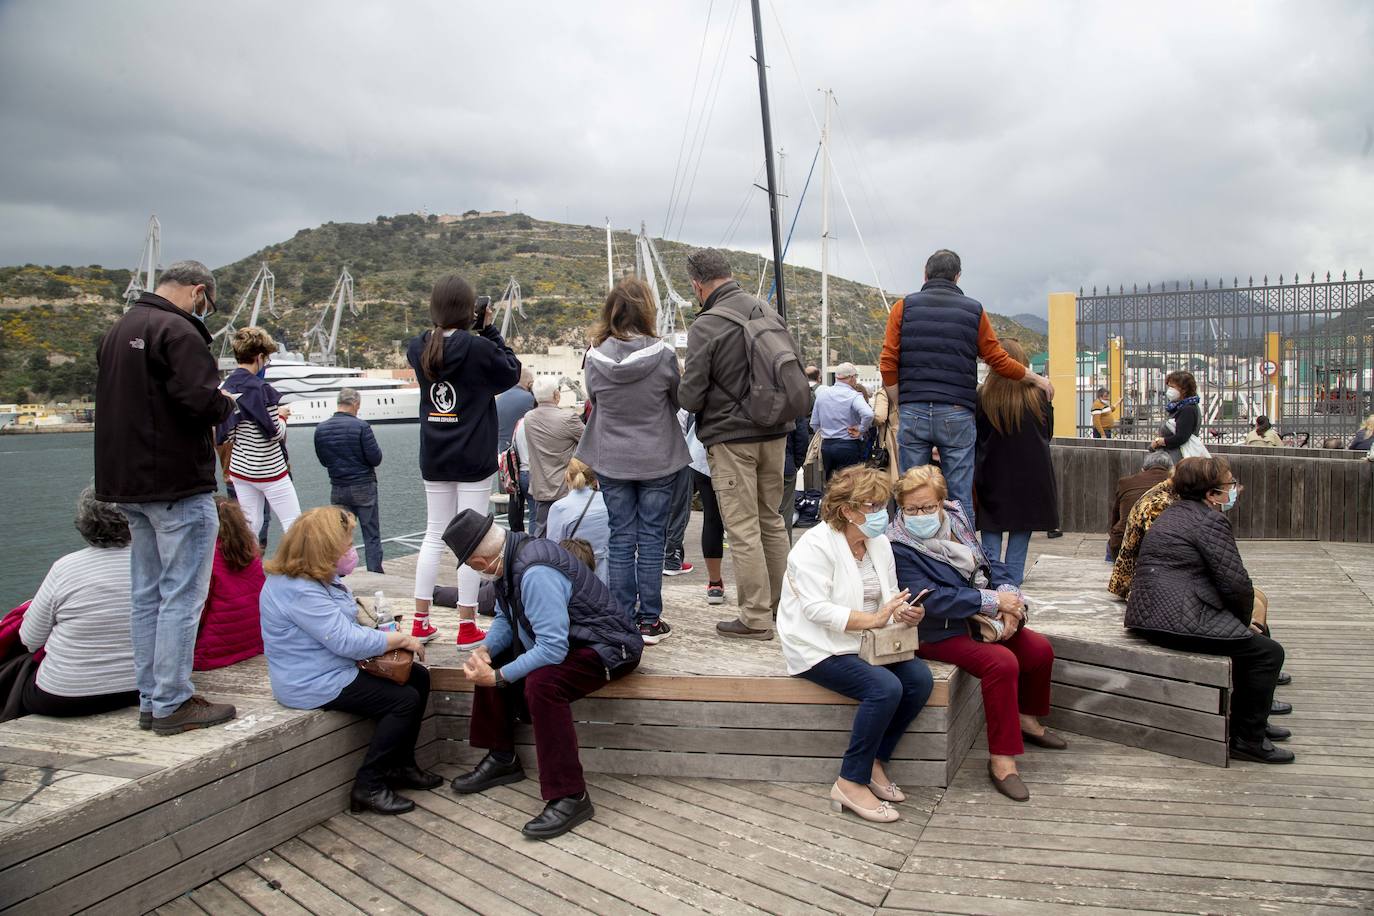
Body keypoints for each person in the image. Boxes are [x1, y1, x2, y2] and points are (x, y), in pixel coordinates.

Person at [95, 259, 238, 735]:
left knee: (147, 594)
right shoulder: (179, 331)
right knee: (182, 594)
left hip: (126, 483)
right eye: (208, 303)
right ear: (198, 291)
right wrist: (228, 403)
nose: (206, 311)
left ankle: (150, 698)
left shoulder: (119, 329)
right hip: (175, 481)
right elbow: (199, 401)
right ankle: (174, 701)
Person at [443, 509, 643, 840]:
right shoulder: (512, 556)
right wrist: (487, 652)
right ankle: (502, 757)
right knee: (492, 662)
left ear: (480, 564)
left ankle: (570, 795)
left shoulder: (534, 572)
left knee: (543, 684)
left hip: (610, 647)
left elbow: (552, 650)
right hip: (575, 640)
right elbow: (509, 618)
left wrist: (498, 678)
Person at [888, 465, 1063, 802]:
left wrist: (1011, 599)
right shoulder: (897, 545)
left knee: (1039, 650)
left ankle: (1027, 720)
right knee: (1001, 663)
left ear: (941, 503)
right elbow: (931, 597)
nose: (919, 515)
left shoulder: (955, 520)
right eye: (910, 509)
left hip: (976, 617)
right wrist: (993, 600)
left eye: (926, 507)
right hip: (935, 630)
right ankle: (1002, 760)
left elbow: (986, 563)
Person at [776, 467, 933, 823]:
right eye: (873, 505)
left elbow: (888, 594)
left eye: (884, 505)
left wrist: (905, 612)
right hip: (818, 645)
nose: (883, 514)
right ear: (847, 510)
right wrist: (875, 620)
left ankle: (877, 761)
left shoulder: (877, 542)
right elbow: (815, 610)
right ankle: (850, 781)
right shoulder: (814, 546)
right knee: (884, 687)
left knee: (920, 681)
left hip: (866, 641)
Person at [260, 507, 437, 814]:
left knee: (418, 677)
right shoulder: (299, 590)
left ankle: (401, 765)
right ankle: (369, 785)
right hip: (311, 681)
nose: (350, 549)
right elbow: (346, 641)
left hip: (329, 668)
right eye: (345, 545)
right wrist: (400, 639)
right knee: (403, 700)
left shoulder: (316, 579)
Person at [1124, 458, 1292, 763]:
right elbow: (1236, 584)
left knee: (1252, 645)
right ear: (1212, 494)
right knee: (1268, 653)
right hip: (1176, 618)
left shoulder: (1173, 513)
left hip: (1152, 612)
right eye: (1229, 485)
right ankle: (1248, 739)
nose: (1234, 490)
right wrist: (1243, 623)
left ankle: (1254, 722)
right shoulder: (1209, 520)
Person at [878, 249, 1054, 525]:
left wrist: (902, 402)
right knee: (959, 495)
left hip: (914, 409)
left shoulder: (904, 308)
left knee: (910, 490)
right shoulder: (974, 310)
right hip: (957, 410)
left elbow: (888, 362)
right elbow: (997, 359)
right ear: (957, 277)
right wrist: (1037, 379)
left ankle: (909, 556)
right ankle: (965, 559)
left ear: (925, 274)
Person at [678, 248, 799, 640]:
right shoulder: (767, 312)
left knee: (743, 528)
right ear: (729, 274)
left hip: (732, 439)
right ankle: (783, 610)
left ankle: (753, 618)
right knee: (772, 522)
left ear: (697, 284)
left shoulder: (707, 324)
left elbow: (691, 396)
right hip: (775, 432)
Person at [407, 274, 522, 647]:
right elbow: (511, 371)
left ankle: (420, 620)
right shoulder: (477, 349)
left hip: (435, 456)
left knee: (433, 534)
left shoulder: (418, 347)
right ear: (470, 310)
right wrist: (489, 330)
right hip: (473, 457)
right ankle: (467, 624)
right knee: (473, 540)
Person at [576, 277, 691, 644]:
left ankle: (623, 618)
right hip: (657, 456)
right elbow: (678, 399)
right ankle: (650, 621)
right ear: (647, 310)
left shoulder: (594, 357)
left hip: (611, 457)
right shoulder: (664, 355)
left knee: (621, 538)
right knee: (652, 537)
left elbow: (595, 398)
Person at [17, 488, 138, 718]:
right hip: (142, 688)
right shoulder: (158, 564)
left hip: (63, 697)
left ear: (85, 523)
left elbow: (30, 639)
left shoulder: (65, 568)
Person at [974, 339, 1057, 585]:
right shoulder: (1038, 396)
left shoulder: (982, 397)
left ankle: (991, 581)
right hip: (1031, 476)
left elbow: (975, 437)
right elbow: (1047, 434)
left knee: (991, 532)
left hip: (991, 473)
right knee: (1021, 531)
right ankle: (1012, 584)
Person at [220, 327, 300, 537]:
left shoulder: (225, 387)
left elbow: (225, 435)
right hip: (270, 470)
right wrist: (282, 416)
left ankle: (249, 568)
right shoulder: (262, 390)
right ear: (259, 357)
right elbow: (274, 433)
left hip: (240, 469)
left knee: (250, 527)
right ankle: (301, 568)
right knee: (293, 523)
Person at [314, 388, 385, 573]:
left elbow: (323, 461)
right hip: (363, 487)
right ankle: (374, 572)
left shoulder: (321, 429)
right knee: (371, 534)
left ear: (338, 403)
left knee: (339, 533)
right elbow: (375, 458)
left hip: (338, 488)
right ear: (355, 404)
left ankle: (340, 572)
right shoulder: (362, 427)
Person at [194, 497, 265, 671]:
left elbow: (198, 610)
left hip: (213, 652)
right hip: (256, 641)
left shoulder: (206, 558)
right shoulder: (251, 554)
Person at [523, 378, 585, 537]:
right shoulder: (568, 418)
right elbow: (589, 441)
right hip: (565, 488)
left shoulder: (529, 418)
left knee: (543, 533)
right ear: (557, 395)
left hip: (541, 488)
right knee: (569, 535)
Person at [544, 459, 610, 583]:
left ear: (568, 476)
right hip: (609, 575)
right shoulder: (609, 502)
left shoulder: (560, 508)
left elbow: (554, 549)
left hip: (577, 577)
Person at [811, 363, 875, 482]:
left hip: (827, 446)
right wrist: (861, 429)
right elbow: (868, 414)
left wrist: (826, 432)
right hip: (848, 445)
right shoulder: (854, 396)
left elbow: (814, 423)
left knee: (831, 484)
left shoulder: (822, 394)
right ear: (851, 378)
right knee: (850, 485)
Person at [1107, 452, 1172, 562]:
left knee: (1111, 546)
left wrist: (1113, 534)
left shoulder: (1125, 482)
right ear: (1170, 469)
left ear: (1143, 469)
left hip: (1125, 543)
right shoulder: (1176, 483)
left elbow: (1116, 516)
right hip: (1164, 543)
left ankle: (1111, 564)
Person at [496, 369, 537, 532]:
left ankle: (516, 534)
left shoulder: (500, 399)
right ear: (528, 383)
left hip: (504, 456)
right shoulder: (529, 399)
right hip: (525, 456)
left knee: (514, 497)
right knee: (534, 502)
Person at [1150, 370, 1202, 463]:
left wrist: (1160, 441)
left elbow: (1181, 437)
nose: (1169, 390)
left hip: (1178, 458)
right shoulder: (1177, 407)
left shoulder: (1188, 409)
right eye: (1169, 386)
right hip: (1170, 455)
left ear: (1184, 389)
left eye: (1172, 387)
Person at [780, 412, 811, 541]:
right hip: (786, 464)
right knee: (785, 512)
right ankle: (784, 549)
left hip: (759, 466)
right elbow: (802, 437)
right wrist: (797, 462)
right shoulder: (792, 405)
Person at [496, 368, 536, 454]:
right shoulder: (531, 399)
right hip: (521, 454)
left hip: (501, 453)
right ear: (530, 384)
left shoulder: (499, 399)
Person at [869, 384, 901, 485]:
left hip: (892, 438)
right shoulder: (909, 388)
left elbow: (880, 417)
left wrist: (869, 421)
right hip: (911, 434)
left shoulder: (884, 392)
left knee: (893, 476)